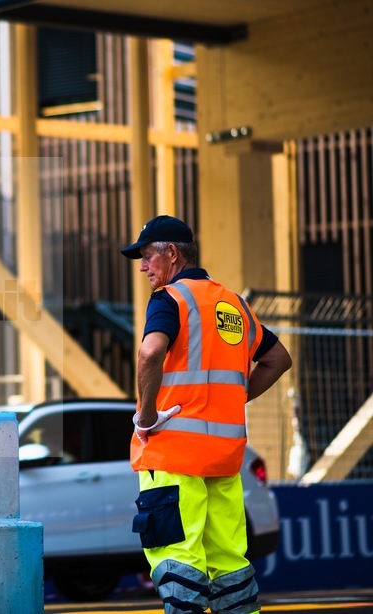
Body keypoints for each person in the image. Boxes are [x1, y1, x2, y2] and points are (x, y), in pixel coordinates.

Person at [120, 215, 292, 614]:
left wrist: (146, 418)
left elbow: (150, 352)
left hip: (174, 454)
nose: (144, 267)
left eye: (147, 257)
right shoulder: (233, 304)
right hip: (224, 458)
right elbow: (278, 359)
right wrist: (230, 400)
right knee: (229, 561)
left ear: (172, 253)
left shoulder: (171, 299)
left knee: (179, 559)